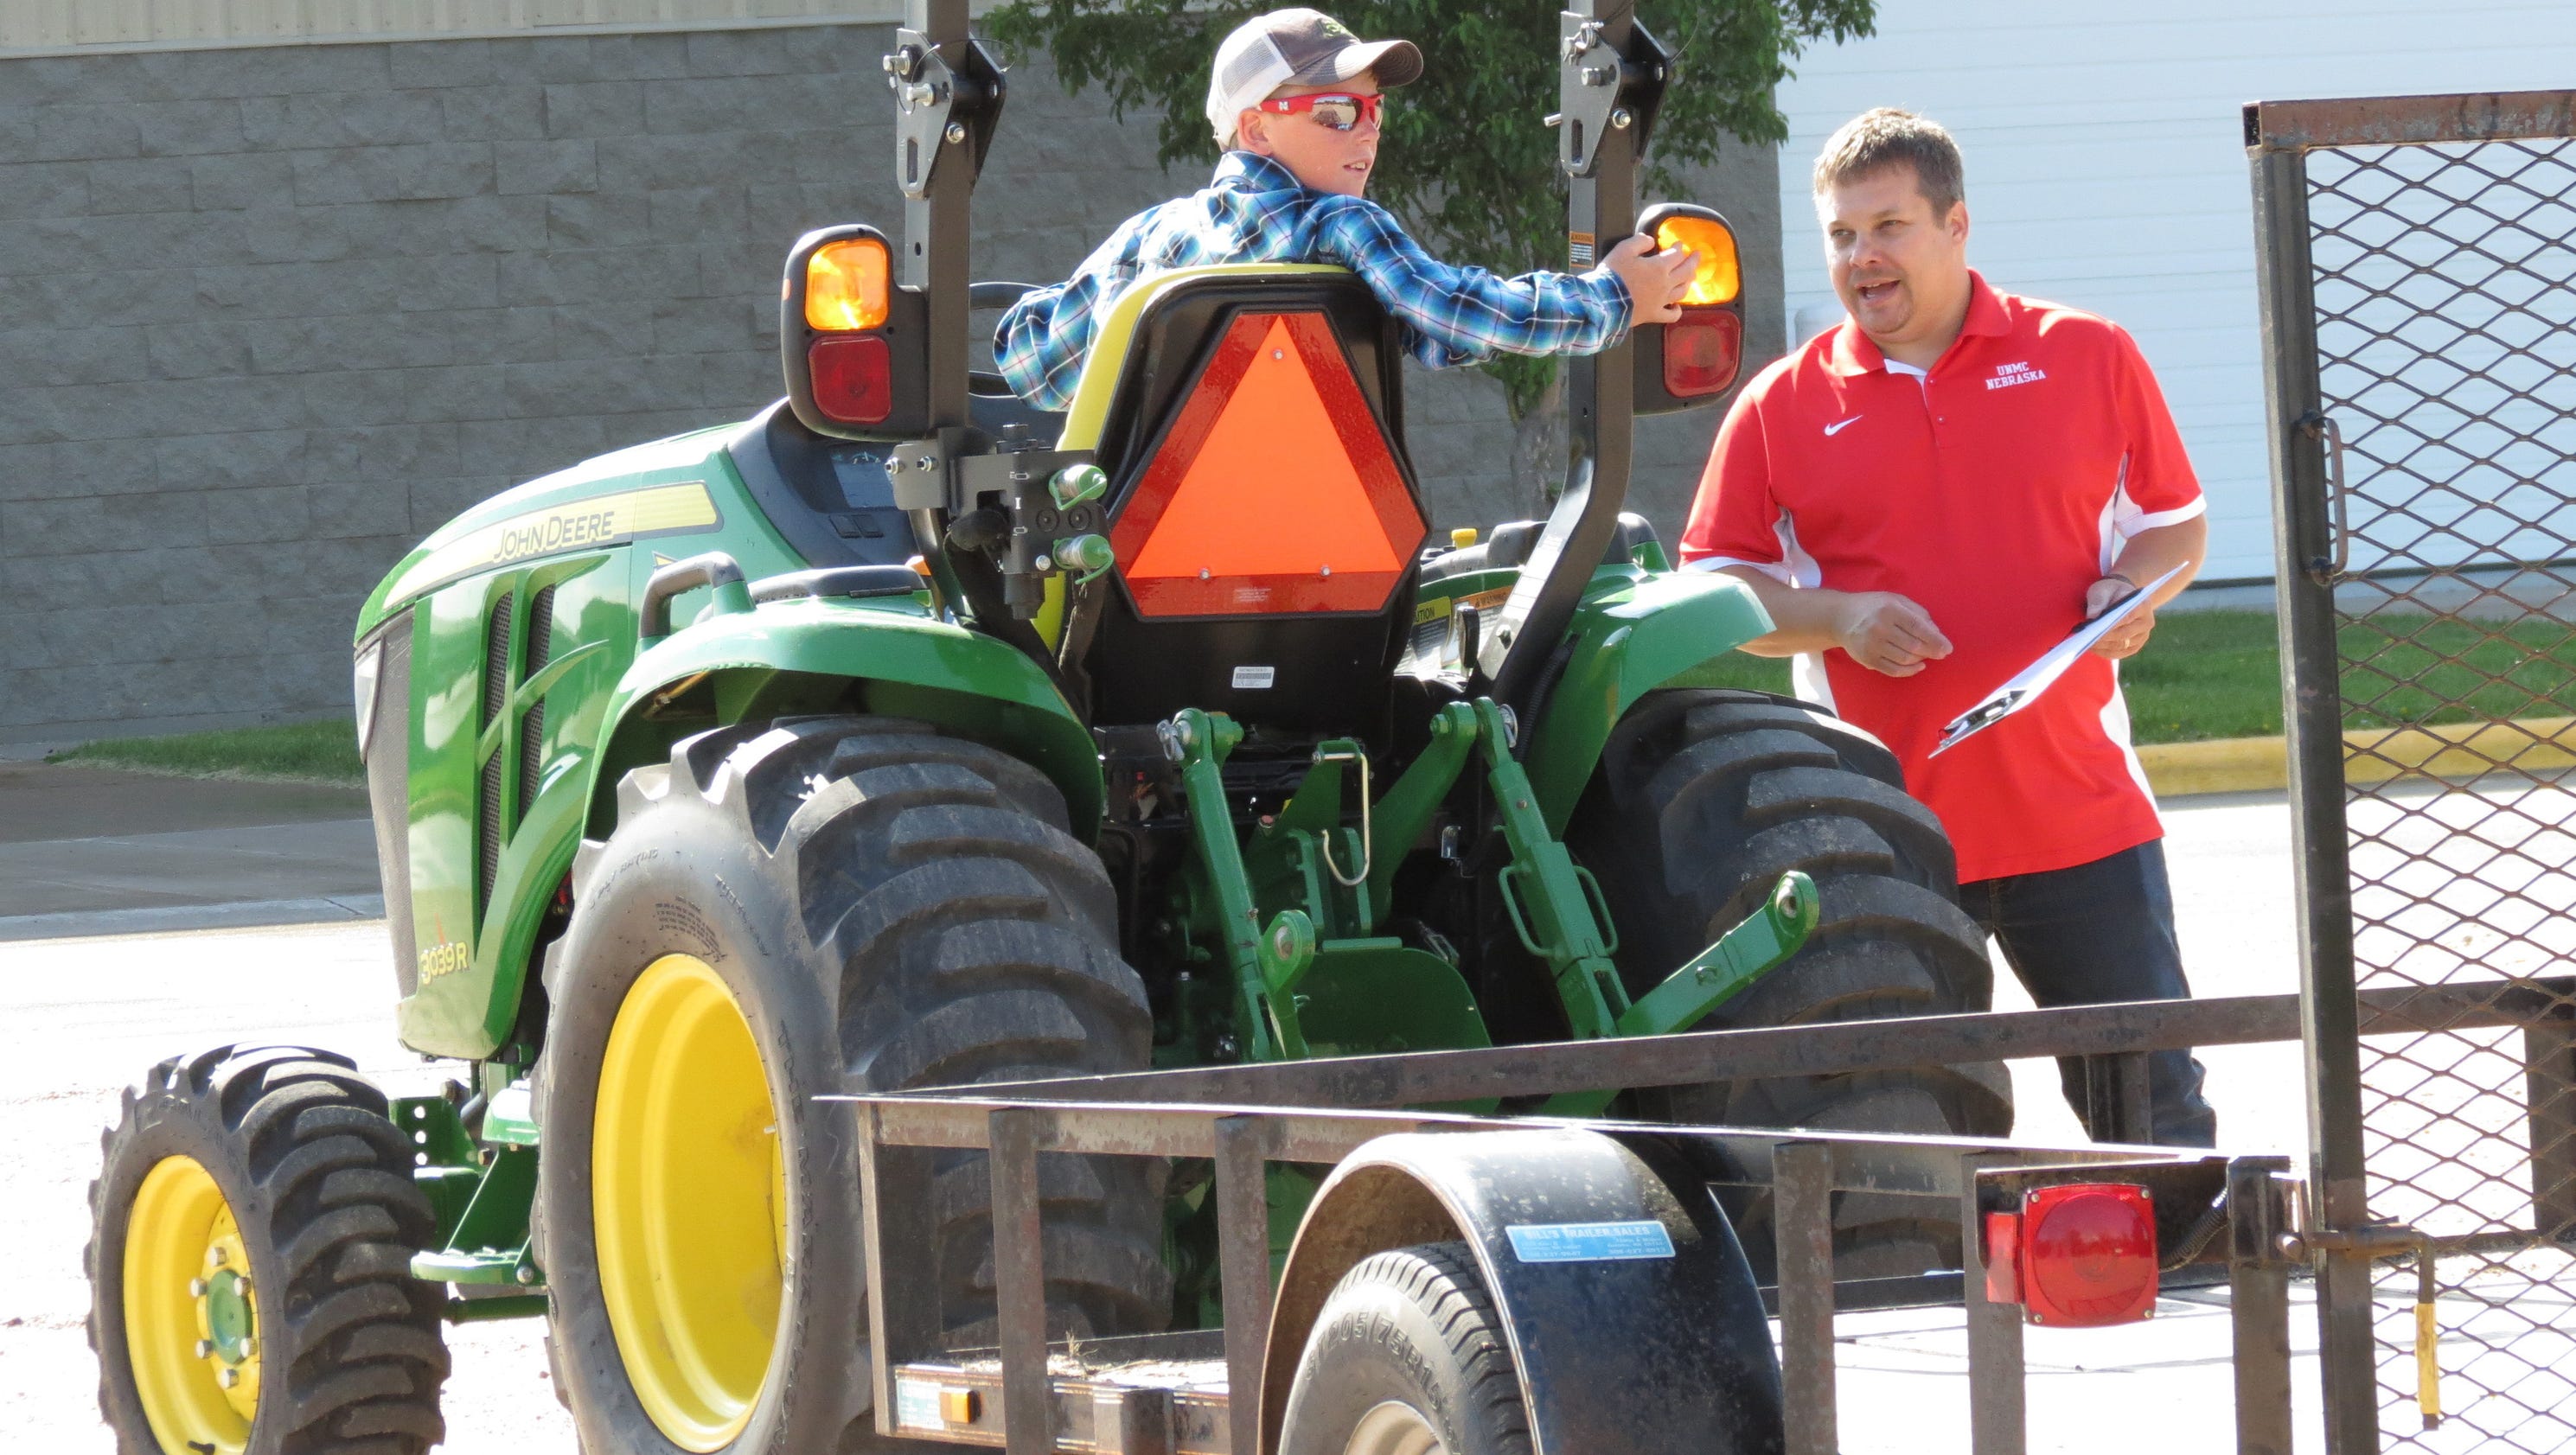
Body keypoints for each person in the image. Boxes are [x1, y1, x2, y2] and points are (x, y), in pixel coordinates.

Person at [1678, 107, 2218, 1146]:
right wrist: (1838, 617)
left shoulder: (2090, 355)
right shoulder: (1779, 406)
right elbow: (1720, 592)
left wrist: (2132, 592)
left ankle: (2189, 1277)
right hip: (1882, 836)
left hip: (2082, 820)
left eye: (1887, 227)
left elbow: (2174, 527)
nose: (1861, 257)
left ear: (1957, 223)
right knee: (1901, 1135)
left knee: (2155, 1114)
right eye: (1841, 235)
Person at [994, 7, 1697, 412]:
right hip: (1315, 555)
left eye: (1374, 110)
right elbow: (1462, 311)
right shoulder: (1339, 228)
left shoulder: (1149, 238)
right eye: (1335, 110)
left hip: (1133, 565)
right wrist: (1612, 297)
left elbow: (1030, 367)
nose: (1366, 130)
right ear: (1256, 129)